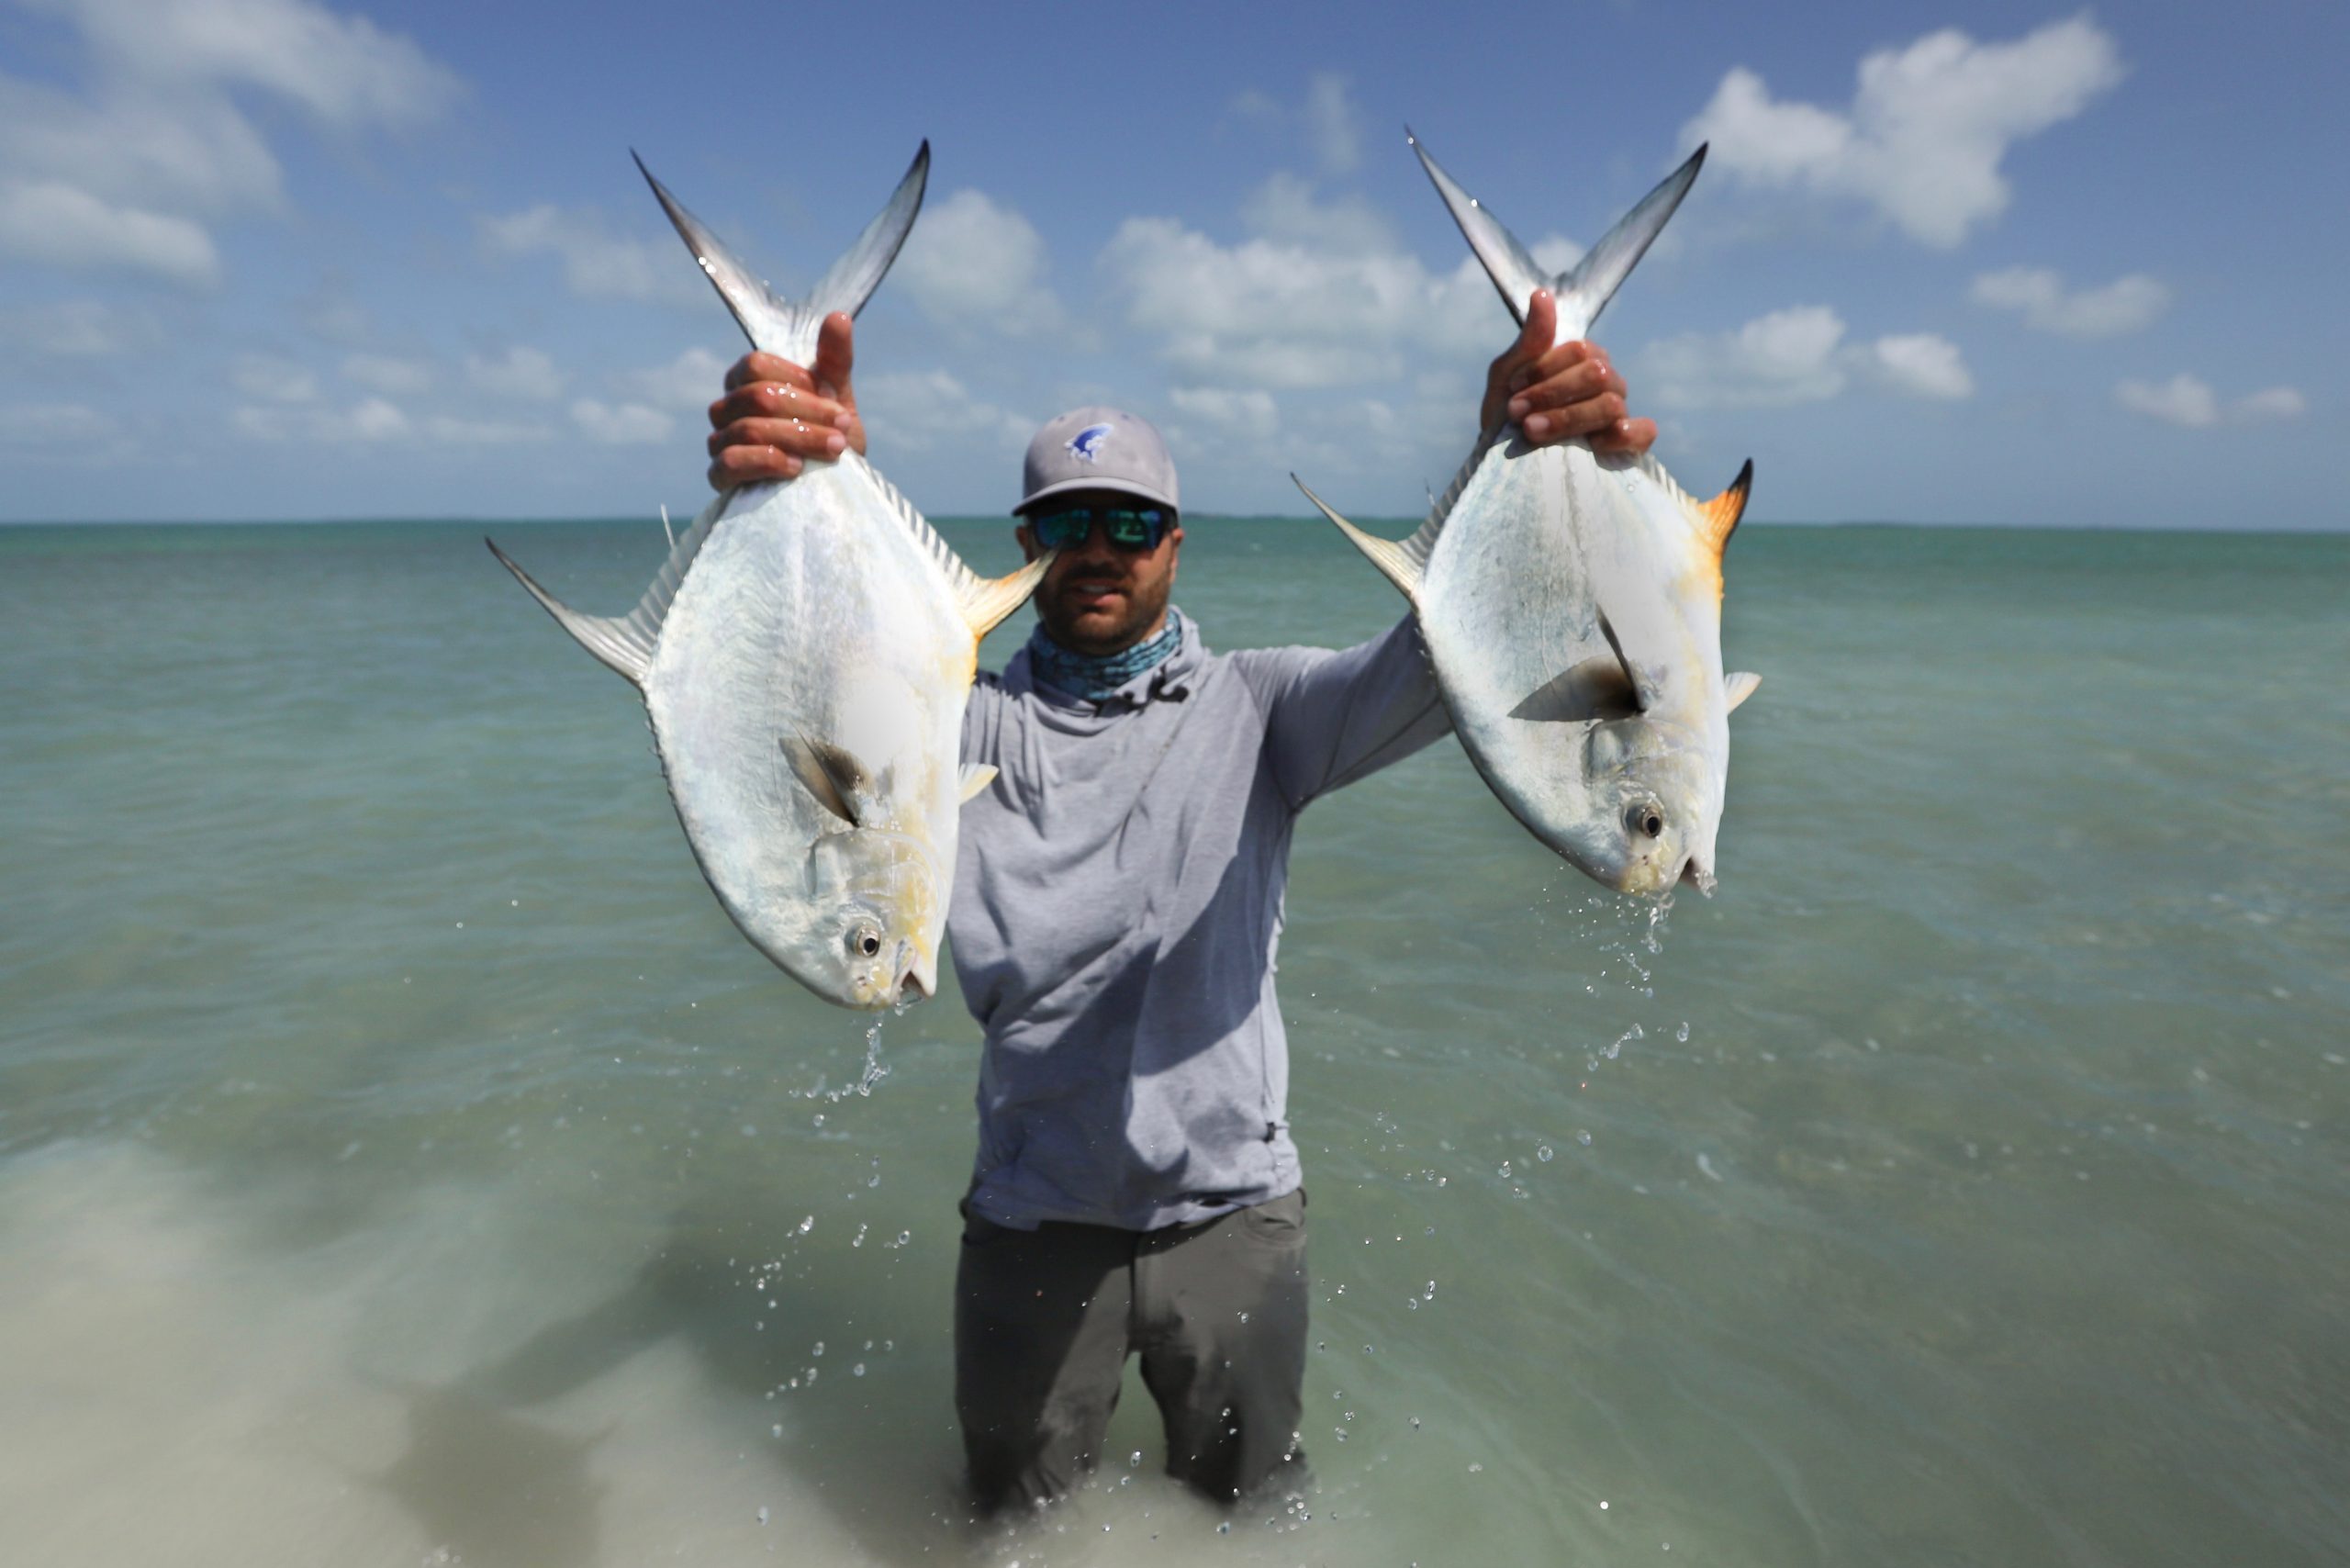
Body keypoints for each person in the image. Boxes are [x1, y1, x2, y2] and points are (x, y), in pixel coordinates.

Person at [703, 293, 1653, 1513]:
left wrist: (1516, 454)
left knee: (1252, 1512)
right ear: (1024, 545)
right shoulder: (949, 725)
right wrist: (799, 479)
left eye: (1128, 522)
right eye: (1064, 525)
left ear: (1174, 541)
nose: (1097, 547)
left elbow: (1456, 656)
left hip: (1235, 1214)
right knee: (1008, 1523)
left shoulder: (1265, 710)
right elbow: (804, 700)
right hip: (1032, 1219)